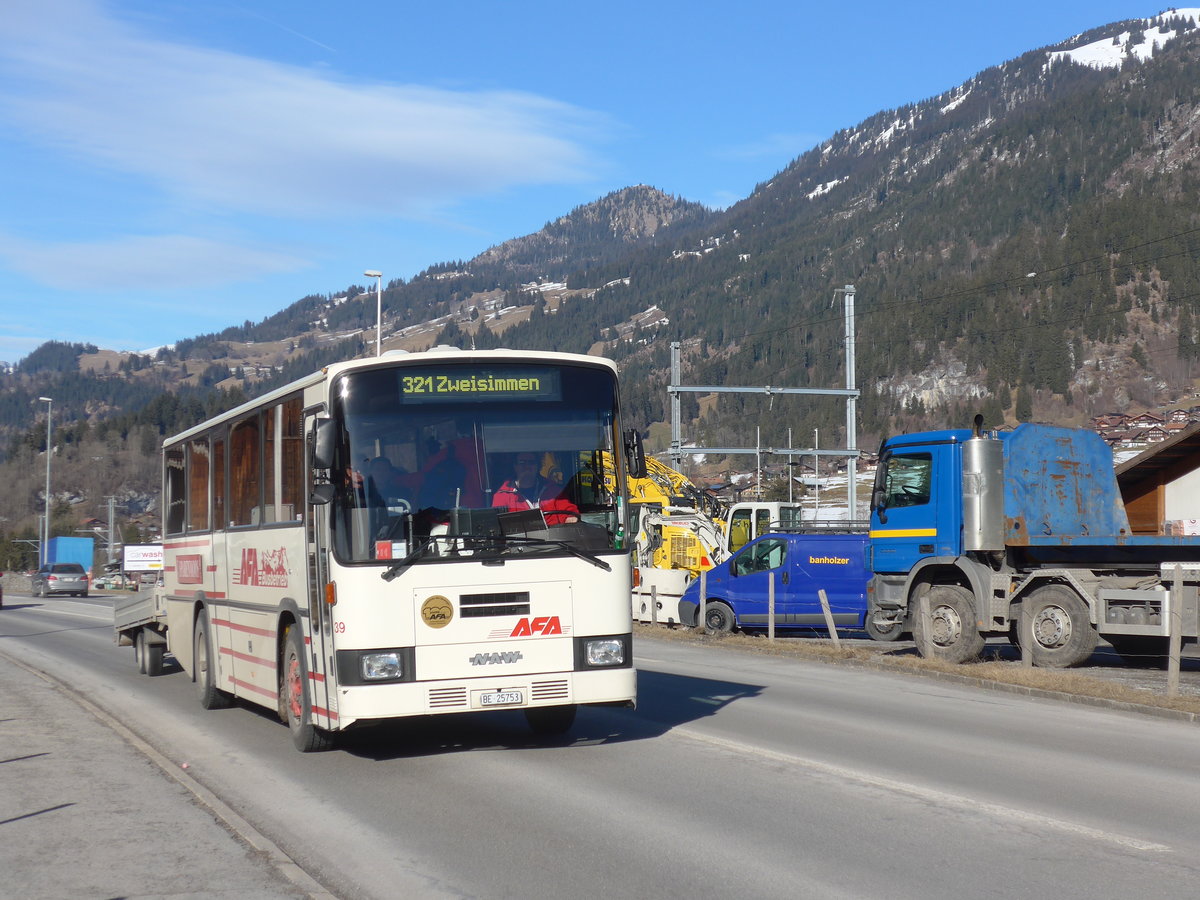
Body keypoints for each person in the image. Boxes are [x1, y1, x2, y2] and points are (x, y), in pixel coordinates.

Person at [492, 452, 579, 525]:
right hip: (519, 539)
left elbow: (568, 511)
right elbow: (497, 524)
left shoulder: (552, 490)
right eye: (522, 462)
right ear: (515, 466)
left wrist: (570, 518)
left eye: (531, 462)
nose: (527, 467)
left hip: (553, 538)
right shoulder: (502, 495)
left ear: (537, 466)